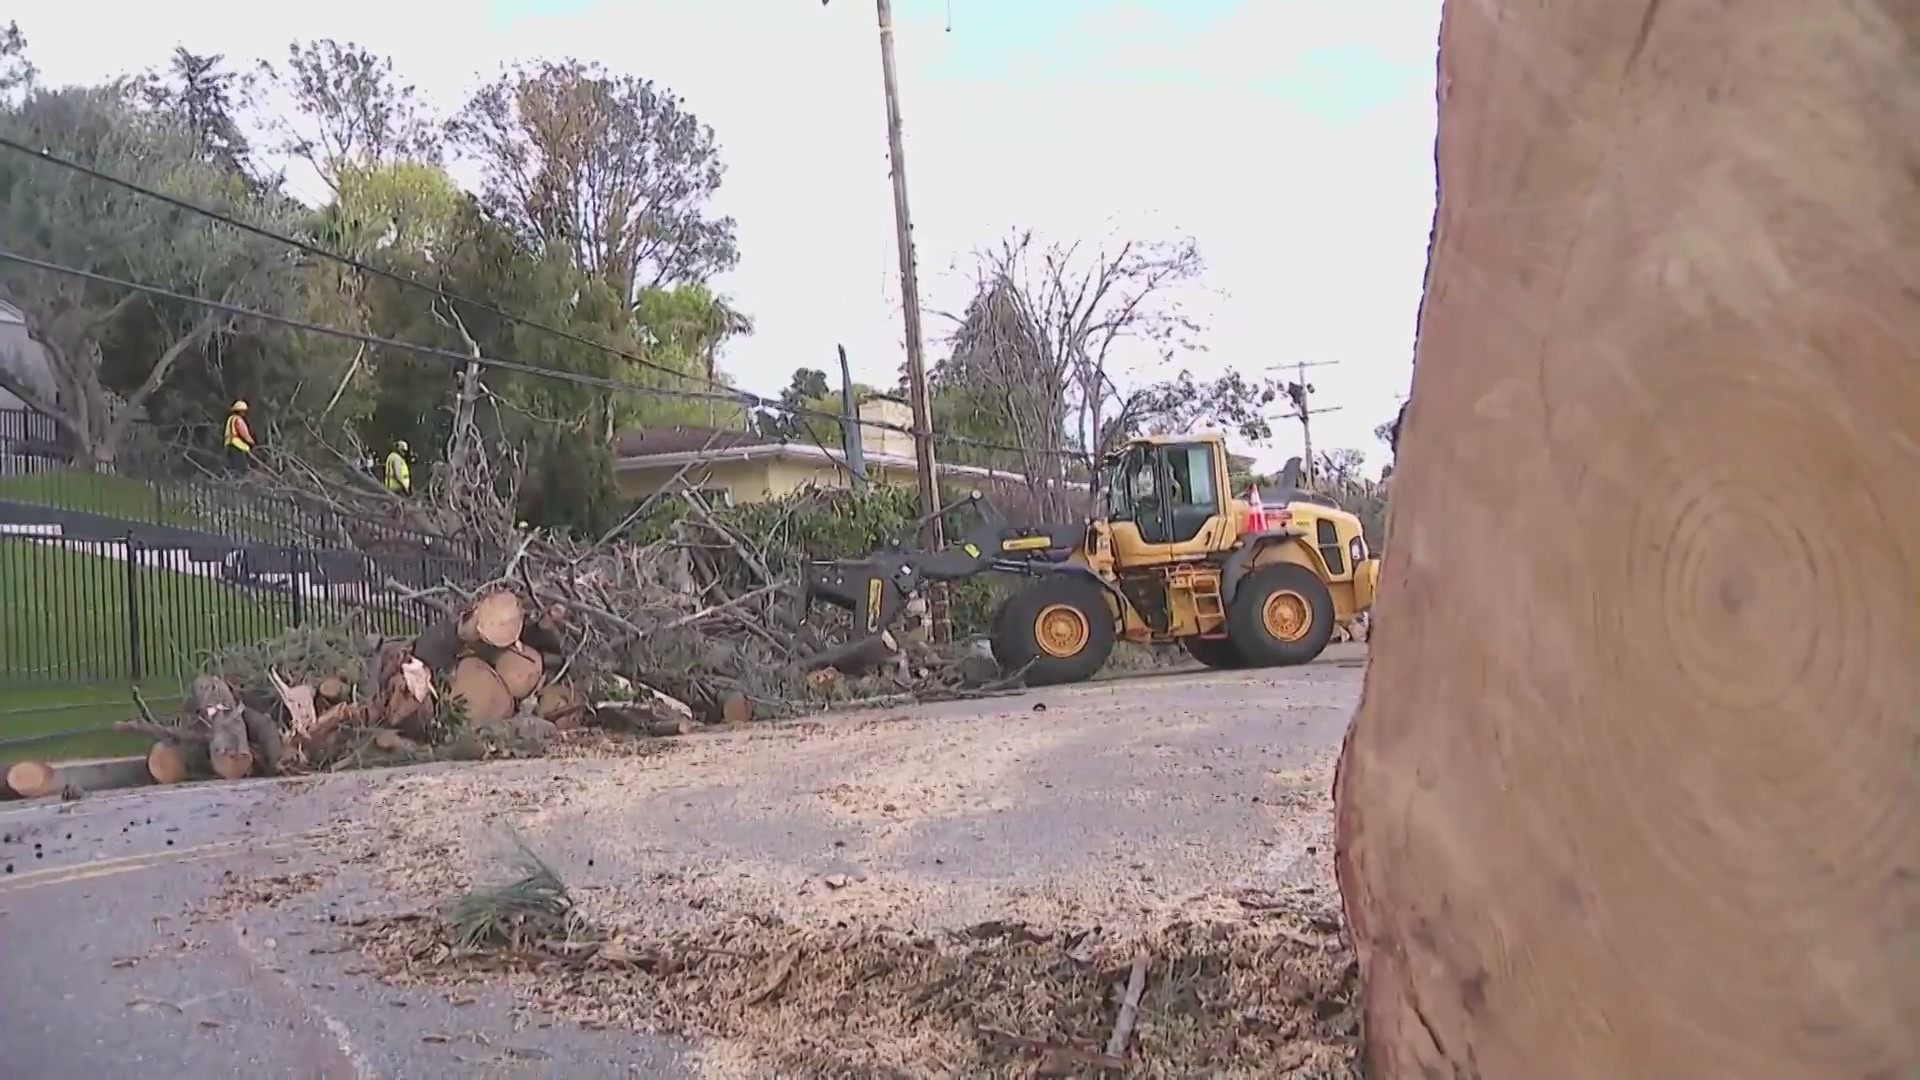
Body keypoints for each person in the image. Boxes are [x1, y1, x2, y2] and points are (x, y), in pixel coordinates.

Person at [223, 400, 254, 473]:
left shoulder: (230, 419)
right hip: (237, 446)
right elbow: (244, 434)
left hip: (228, 446)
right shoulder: (238, 420)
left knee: (233, 467)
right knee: (241, 468)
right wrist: (252, 443)